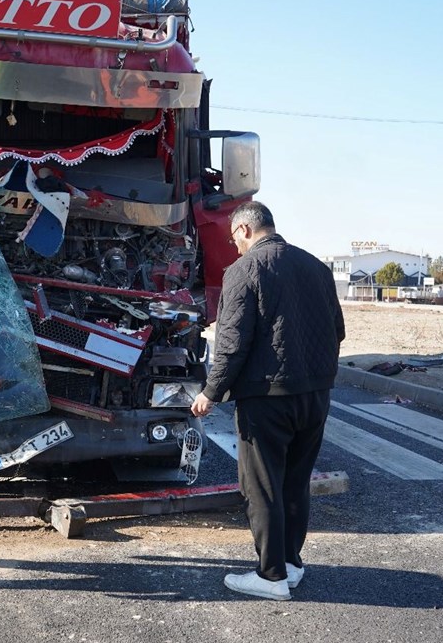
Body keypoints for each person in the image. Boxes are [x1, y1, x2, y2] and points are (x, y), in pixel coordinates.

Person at [191, 201, 345, 601]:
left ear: (244, 229)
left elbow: (231, 344)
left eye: (233, 239)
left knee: (261, 487)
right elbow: (337, 330)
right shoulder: (317, 267)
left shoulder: (243, 271)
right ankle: (291, 564)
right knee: (296, 482)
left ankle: (271, 575)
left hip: (267, 398)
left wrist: (210, 391)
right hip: (315, 396)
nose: (234, 247)